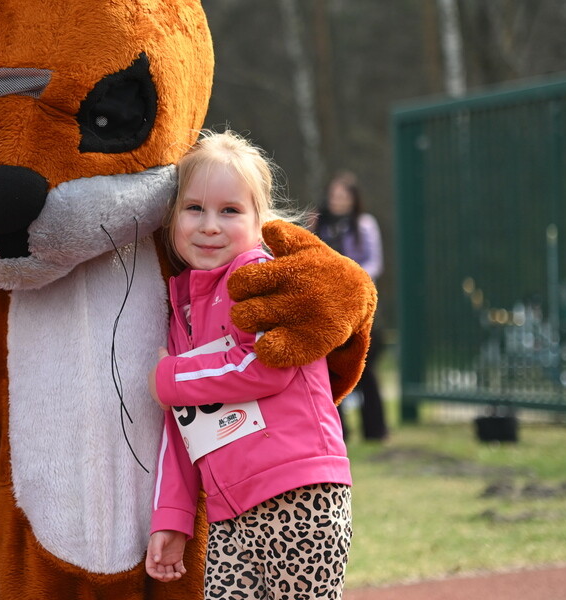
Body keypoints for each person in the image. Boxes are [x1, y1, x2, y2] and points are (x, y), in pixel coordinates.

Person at [145, 131, 353, 598]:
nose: (209, 226)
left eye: (230, 211)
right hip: (229, 513)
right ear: (172, 217)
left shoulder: (260, 276)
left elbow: (268, 365)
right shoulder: (180, 305)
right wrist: (172, 517)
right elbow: (184, 423)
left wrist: (171, 377)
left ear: (260, 221)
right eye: (194, 208)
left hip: (300, 496)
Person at [314, 171, 388, 443]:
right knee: (332, 369)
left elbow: (374, 263)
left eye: (343, 196)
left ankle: (375, 429)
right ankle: (339, 430)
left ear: (354, 199)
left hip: (358, 303)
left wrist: (350, 278)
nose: (337, 201)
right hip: (330, 306)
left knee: (364, 367)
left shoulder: (364, 225)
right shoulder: (321, 225)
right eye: (334, 195)